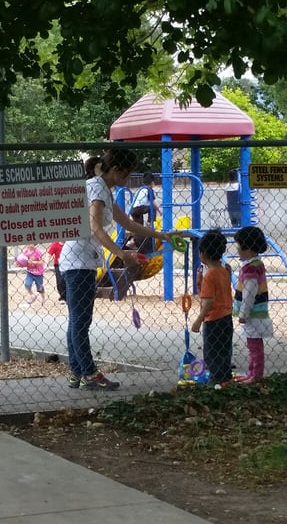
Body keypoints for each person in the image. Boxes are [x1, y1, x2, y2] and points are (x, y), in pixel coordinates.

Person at [61, 149, 174, 390]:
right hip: (80, 261)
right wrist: (122, 254)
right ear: (118, 171)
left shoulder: (100, 187)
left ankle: (77, 372)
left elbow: (128, 223)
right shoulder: (98, 188)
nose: (129, 178)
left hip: (79, 261)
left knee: (76, 321)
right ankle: (89, 374)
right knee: (81, 322)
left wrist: (160, 235)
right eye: (128, 173)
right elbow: (95, 228)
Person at [190, 230, 234, 385]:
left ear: (203, 254)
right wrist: (200, 281)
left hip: (213, 319)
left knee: (212, 353)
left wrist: (198, 320)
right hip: (227, 317)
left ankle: (215, 380)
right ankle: (225, 378)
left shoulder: (210, 275)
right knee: (224, 351)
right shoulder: (223, 271)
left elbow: (208, 301)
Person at [233, 226, 274, 384]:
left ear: (247, 248)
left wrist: (243, 313)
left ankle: (255, 375)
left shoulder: (250, 268)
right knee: (253, 345)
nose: (236, 250)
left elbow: (249, 293)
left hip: (253, 314)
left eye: (238, 246)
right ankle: (252, 373)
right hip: (255, 313)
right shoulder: (256, 264)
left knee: (254, 347)